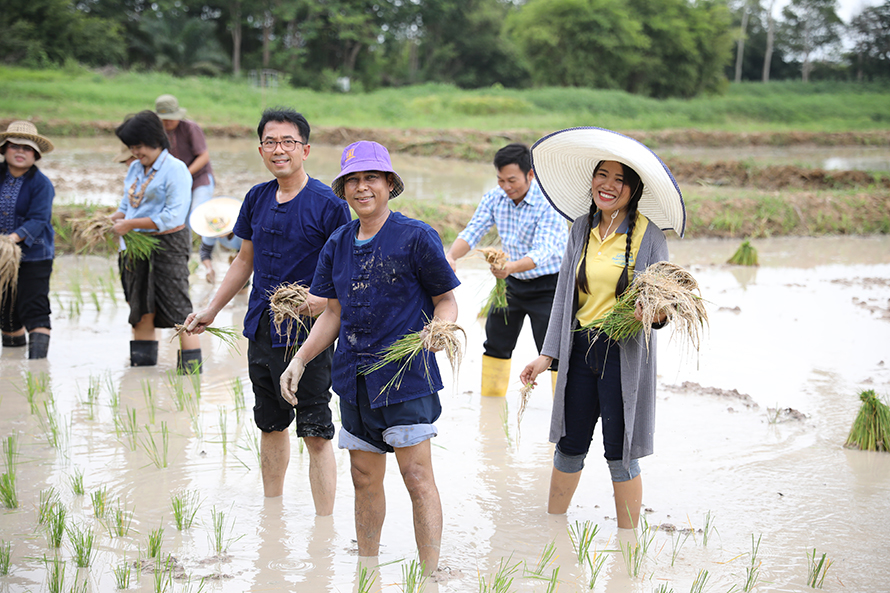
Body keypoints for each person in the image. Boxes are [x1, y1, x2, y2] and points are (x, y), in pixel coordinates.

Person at [279, 141, 460, 574]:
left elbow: (446, 299)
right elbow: (334, 311)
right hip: (354, 379)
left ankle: (431, 574)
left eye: (371, 179)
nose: (362, 188)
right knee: (363, 480)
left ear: (389, 185)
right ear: (343, 189)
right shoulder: (339, 242)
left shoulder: (416, 237)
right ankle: (368, 571)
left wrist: (440, 328)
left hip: (406, 379)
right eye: (353, 181)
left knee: (417, 479)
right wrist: (300, 360)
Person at [519, 127, 686, 529]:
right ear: (592, 180)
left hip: (622, 354)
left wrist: (655, 314)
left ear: (634, 189)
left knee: (621, 451)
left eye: (620, 179)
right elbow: (564, 296)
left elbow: (661, 308)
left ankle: (629, 545)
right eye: (602, 175)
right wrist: (547, 355)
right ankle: (552, 529)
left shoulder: (650, 238)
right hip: (579, 351)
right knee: (569, 443)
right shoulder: (580, 228)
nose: (608, 185)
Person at [185, 108, 350, 513]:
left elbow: (344, 271)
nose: (280, 150)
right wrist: (211, 309)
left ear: (305, 150)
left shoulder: (329, 204)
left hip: (309, 333)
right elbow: (244, 261)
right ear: (261, 149)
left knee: (316, 430)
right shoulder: (256, 197)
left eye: (289, 142)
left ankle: (323, 525)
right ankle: (271, 514)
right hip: (262, 327)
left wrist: (320, 301)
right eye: (271, 142)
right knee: (270, 423)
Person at [445, 143, 567, 397]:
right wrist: (451, 256)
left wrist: (509, 267)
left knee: (553, 350)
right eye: (501, 180)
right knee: (496, 342)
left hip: (549, 286)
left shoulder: (548, 203)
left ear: (530, 175)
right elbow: (473, 231)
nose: (506, 186)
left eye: (512, 180)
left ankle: (563, 413)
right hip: (510, 285)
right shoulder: (495, 198)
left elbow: (543, 251)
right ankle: (490, 406)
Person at [112, 110, 201, 371]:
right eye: (131, 147)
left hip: (168, 245)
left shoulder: (176, 169)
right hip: (135, 246)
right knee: (139, 305)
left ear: (154, 140)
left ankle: (191, 372)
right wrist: (111, 219)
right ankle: (141, 373)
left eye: (138, 146)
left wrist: (129, 224)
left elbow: (172, 217)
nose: (135, 152)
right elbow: (126, 205)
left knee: (177, 306)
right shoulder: (136, 169)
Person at [155, 94, 239, 283]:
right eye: (163, 118)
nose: (167, 122)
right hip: (177, 185)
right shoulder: (158, 134)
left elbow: (203, 156)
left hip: (199, 178)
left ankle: (224, 252)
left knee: (198, 214)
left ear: (178, 115)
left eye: (170, 117)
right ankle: (183, 261)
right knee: (179, 222)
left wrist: (184, 175)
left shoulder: (190, 128)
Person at [0, 121, 56, 359]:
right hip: (2, 258)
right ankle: (13, 368)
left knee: (34, 307)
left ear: (36, 155)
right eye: (15, 146)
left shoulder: (41, 184)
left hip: (34, 255)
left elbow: (39, 218)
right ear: (5, 150)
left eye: (27, 148)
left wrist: (10, 239)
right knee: (6, 310)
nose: (21, 152)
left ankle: (37, 369)